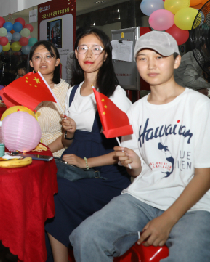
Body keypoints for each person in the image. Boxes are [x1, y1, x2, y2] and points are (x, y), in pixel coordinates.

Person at [71, 31, 210, 262]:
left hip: (195, 204)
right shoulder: (135, 111)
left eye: (160, 57)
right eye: (143, 58)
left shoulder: (199, 106)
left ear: (176, 61)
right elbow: (137, 173)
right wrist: (133, 164)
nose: (151, 65)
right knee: (85, 237)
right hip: (143, 198)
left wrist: (168, 219)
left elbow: (205, 175)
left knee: (187, 255)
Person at [44, 27, 132, 262]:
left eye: (96, 48)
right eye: (83, 48)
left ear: (106, 55)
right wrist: (68, 133)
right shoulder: (72, 92)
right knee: (40, 185)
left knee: (55, 193)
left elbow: (128, 149)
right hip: (73, 167)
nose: (89, 54)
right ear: (76, 53)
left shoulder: (114, 94)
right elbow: (68, 140)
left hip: (105, 175)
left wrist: (86, 162)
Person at [28, 41, 70, 157]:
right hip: (26, 152)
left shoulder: (67, 91)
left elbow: (69, 134)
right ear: (31, 63)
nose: (43, 61)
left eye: (48, 56)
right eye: (37, 57)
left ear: (57, 62)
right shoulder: (23, 90)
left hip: (56, 155)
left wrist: (44, 152)